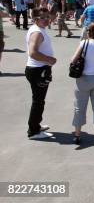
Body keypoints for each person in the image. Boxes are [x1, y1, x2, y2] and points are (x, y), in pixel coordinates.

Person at [70, 22, 94, 145]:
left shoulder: (85, 43)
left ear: (91, 31)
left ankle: (77, 135)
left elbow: (73, 60)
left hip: (84, 78)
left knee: (79, 107)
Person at [25, 8, 57, 139]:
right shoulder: (37, 32)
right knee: (38, 101)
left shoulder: (39, 29)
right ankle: (33, 131)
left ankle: (36, 125)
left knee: (39, 100)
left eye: (48, 17)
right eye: (43, 17)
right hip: (37, 70)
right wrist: (49, 59)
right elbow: (32, 52)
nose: (47, 20)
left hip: (40, 69)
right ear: (36, 18)